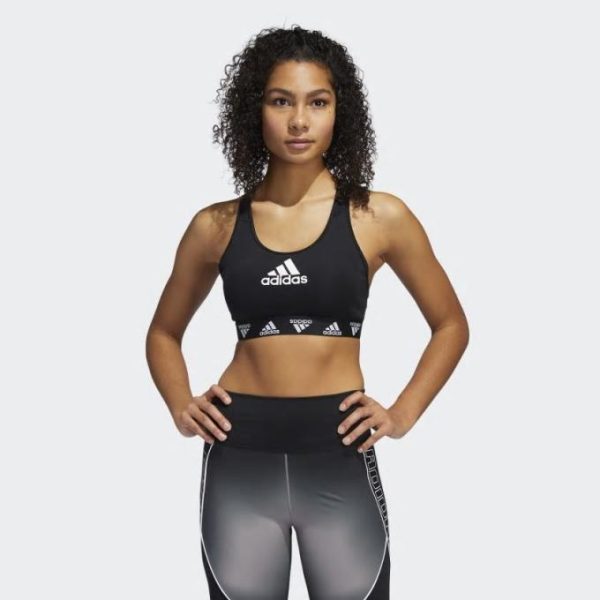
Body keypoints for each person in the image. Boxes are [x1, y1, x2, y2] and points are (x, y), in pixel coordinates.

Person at [146, 25, 469, 600]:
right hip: (240, 451)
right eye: (281, 101)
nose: (299, 121)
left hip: (339, 448)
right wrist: (180, 405)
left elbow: (450, 325)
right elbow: (163, 333)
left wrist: (402, 414)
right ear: (255, 110)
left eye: (317, 102)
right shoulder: (214, 226)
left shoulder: (379, 217)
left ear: (340, 112)